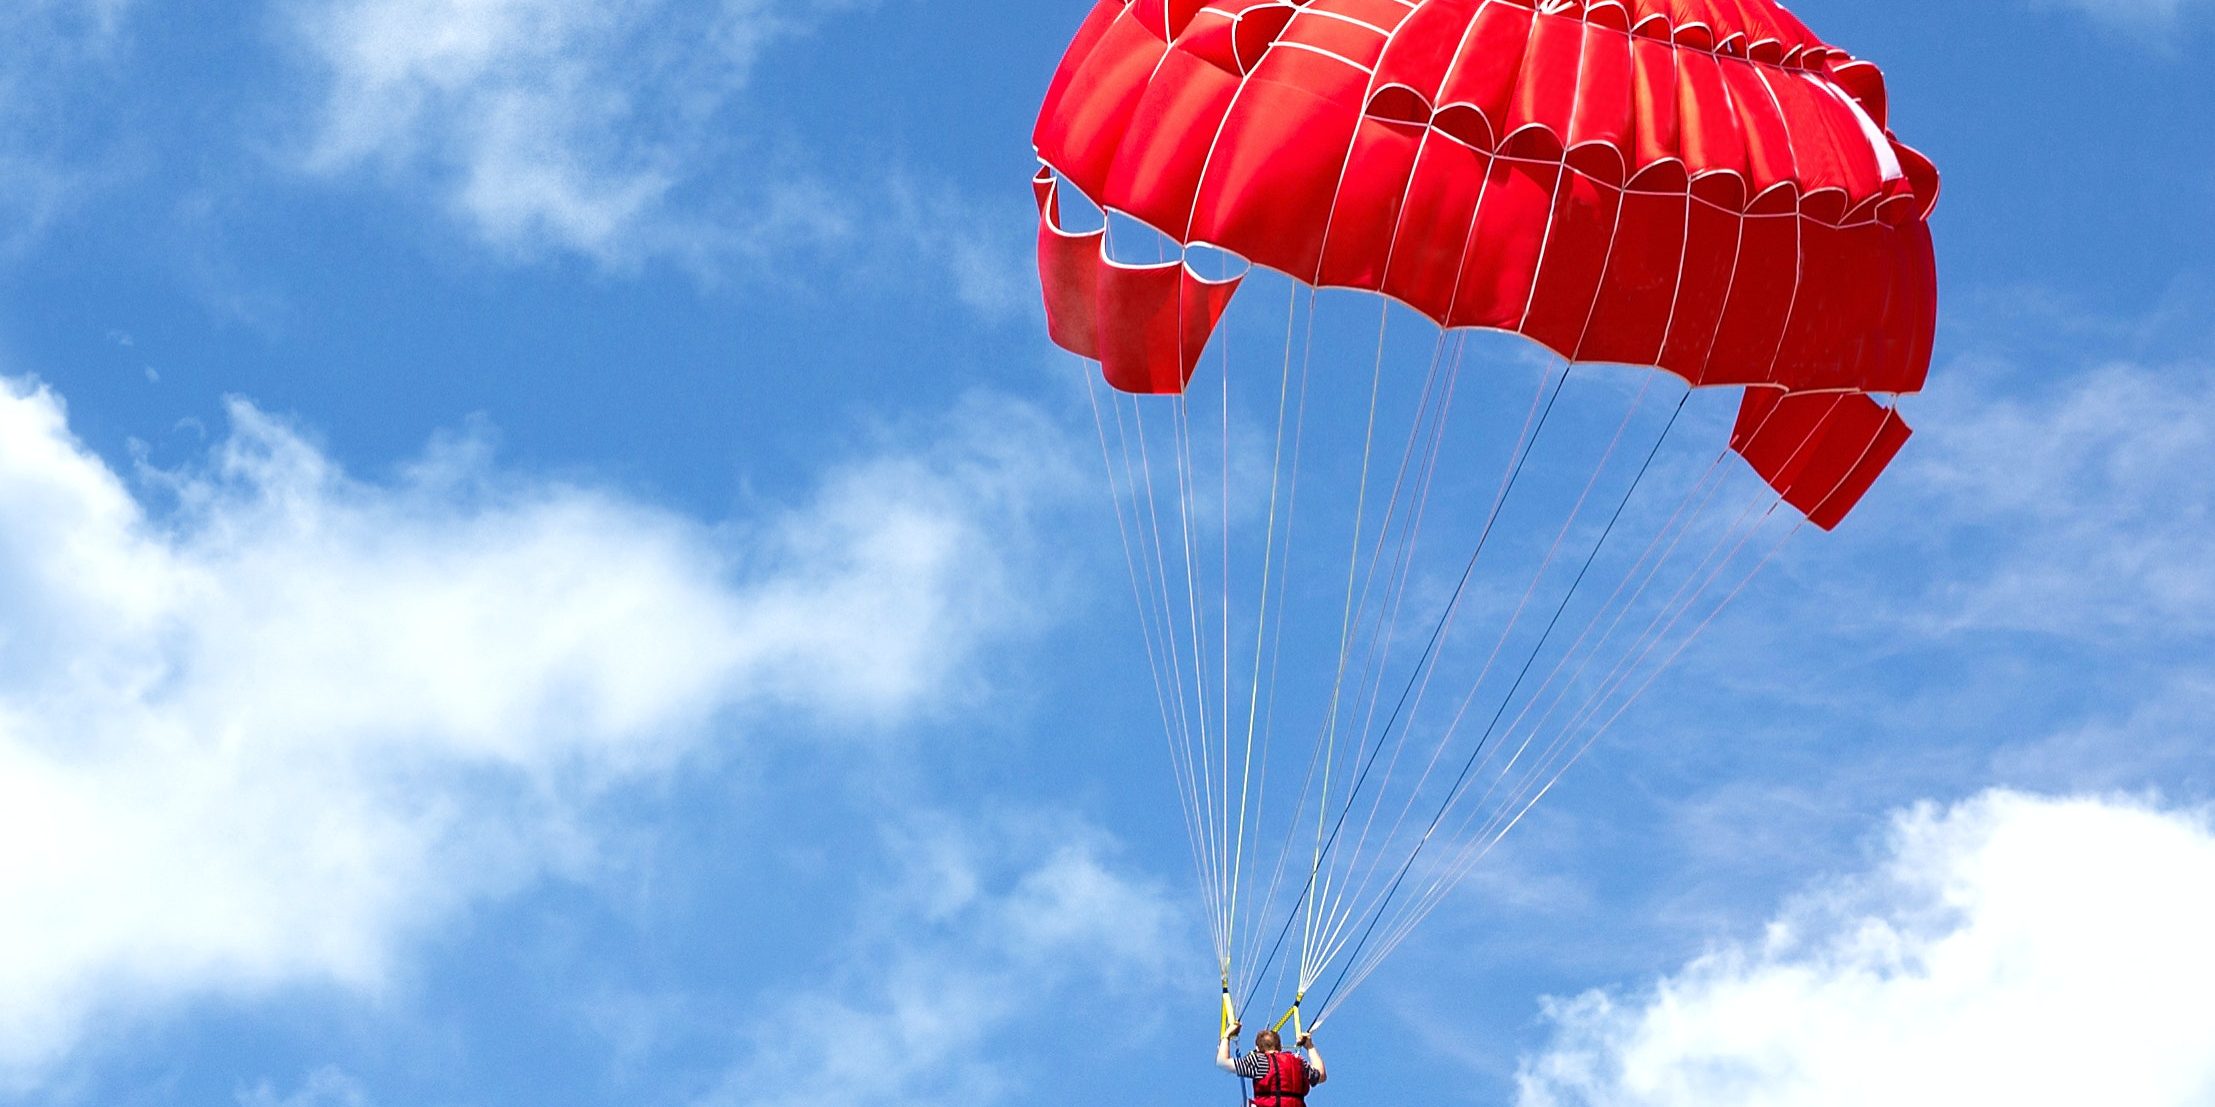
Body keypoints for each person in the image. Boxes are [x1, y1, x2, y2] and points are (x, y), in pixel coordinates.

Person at [1216, 1021, 1327, 1106]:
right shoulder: (1298, 1061)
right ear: (1279, 1046)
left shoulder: (1258, 1060)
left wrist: (1226, 1036)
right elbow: (1321, 1075)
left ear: (1258, 1048)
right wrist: (1309, 1046)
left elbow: (1222, 1062)